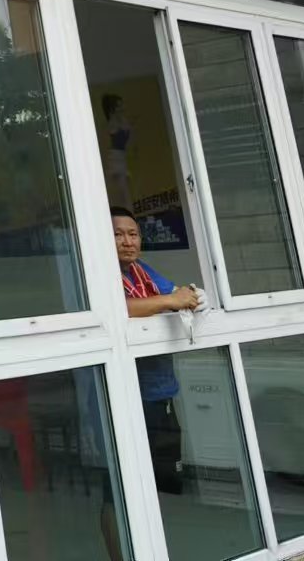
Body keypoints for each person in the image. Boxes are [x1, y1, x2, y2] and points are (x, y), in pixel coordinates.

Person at [113, 207, 197, 496]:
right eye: (118, 235)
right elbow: (119, 308)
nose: (128, 242)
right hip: (126, 394)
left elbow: (175, 293)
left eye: (133, 234)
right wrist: (170, 301)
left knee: (164, 480)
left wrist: (189, 296)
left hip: (159, 391)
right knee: (124, 490)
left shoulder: (141, 269)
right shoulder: (100, 273)